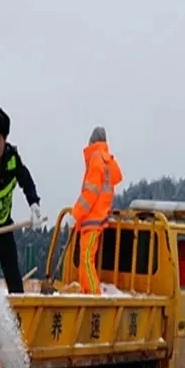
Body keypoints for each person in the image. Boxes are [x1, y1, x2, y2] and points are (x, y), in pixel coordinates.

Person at [0, 108, 43, 293]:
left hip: (4, 226)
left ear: (5, 139)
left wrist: (34, 204)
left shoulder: (12, 158)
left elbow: (25, 181)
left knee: (13, 276)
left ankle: (18, 315)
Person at [70, 126, 123, 294]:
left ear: (92, 142)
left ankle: (93, 294)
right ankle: (87, 292)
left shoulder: (96, 159)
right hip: (96, 217)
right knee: (86, 258)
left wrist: (75, 213)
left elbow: (90, 193)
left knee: (86, 259)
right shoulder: (106, 161)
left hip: (92, 218)